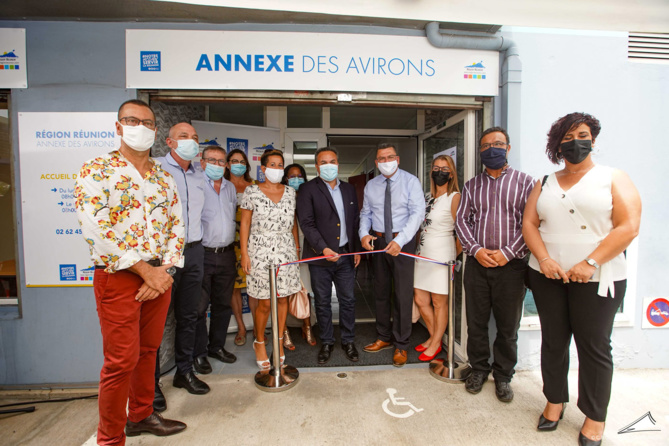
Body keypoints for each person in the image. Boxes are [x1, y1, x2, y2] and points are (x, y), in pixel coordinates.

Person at [523, 113, 641, 445]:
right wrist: (544, 260)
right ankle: (554, 401)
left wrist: (591, 262)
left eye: (583, 135)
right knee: (553, 341)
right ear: (557, 145)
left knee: (594, 347)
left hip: (598, 277)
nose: (576, 142)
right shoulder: (544, 182)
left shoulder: (613, 177)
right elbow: (530, 224)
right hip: (548, 275)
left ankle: (594, 417)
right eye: (567, 138)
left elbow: (629, 226)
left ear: (593, 140)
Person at [75, 99, 186, 444]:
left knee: (148, 352)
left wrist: (163, 271)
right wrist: (143, 270)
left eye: (148, 123)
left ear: (155, 130)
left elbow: (176, 227)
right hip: (119, 277)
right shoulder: (97, 170)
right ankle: (110, 438)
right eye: (132, 120)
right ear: (119, 126)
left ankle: (140, 416)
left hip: (160, 275)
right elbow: (96, 228)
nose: (141, 127)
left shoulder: (163, 177)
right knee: (120, 361)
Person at [455, 126, 534, 402]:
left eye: (498, 144)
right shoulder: (471, 186)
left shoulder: (526, 183)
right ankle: (478, 369)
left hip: (511, 267)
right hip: (477, 266)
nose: (492, 149)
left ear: (508, 148)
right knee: (476, 323)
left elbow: (531, 224)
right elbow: (462, 221)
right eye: (486, 145)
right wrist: (476, 251)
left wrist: (508, 253)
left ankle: (503, 376)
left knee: (508, 327)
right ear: (480, 151)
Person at [154, 122, 209, 406]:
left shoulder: (199, 174)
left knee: (189, 315)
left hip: (194, 251)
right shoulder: (156, 169)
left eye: (195, 137)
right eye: (184, 136)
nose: (191, 141)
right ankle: (150, 384)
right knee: (156, 320)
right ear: (170, 142)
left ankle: (184, 372)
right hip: (164, 255)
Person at [359, 143, 425, 367]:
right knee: (380, 291)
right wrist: (363, 234)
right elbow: (366, 213)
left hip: (402, 242)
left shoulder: (411, 182)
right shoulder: (371, 185)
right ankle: (383, 336)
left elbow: (417, 214)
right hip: (378, 242)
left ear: (397, 159)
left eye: (390, 157)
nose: (386, 162)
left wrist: (400, 240)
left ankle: (401, 344)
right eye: (381, 159)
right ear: (376, 163)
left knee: (402, 294)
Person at [297, 147, 361, 364]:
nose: (328, 166)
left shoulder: (349, 189)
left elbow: (354, 221)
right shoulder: (307, 189)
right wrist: (323, 249)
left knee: (348, 300)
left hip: (346, 255)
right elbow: (307, 223)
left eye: (332, 161)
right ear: (317, 166)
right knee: (323, 302)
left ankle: (348, 340)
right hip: (320, 257)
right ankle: (326, 341)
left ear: (338, 164)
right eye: (323, 162)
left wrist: (355, 250)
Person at [240, 149, 301, 369]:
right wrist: (244, 254)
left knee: (283, 299)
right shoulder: (252, 191)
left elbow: (293, 223)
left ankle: (279, 341)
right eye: (272, 165)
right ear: (263, 168)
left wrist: (296, 248)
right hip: (259, 252)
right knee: (265, 302)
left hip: (286, 251)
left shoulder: (291, 192)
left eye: (280, 165)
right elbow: (245, 223)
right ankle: (259, 342)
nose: (276, 169)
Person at [192, 145, 238, 376]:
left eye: (221, 162)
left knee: (222, 304)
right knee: (199, 307)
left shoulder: (230, 187)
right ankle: (199, 353)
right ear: (202, 162)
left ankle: (216, 347)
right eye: (212, 160)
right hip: (203, 253)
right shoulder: (196, 184)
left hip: (227, 254)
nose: (217, 165)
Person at [413, 155, 461, 362]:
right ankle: (435, 338)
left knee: (439, 302)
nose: (439, 172)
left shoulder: (455, 197)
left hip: (442, 256)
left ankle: (434, 343)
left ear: (451, 174)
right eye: (436, 168)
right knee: (420, 299)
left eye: (445, 168)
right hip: (421, 254)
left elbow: (462, 233)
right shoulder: (426, 197)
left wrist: (452, 258)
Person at [281, 163, 318, 351]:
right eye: (292, 176)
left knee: (306, 288)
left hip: (306, 246)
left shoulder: (309, 195)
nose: (296, 179)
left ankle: (307, 326)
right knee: (283, 290)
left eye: (299, 176)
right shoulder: (280, 195)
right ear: (285, 179)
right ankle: (284, 331)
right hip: (284, 247)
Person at [224, 148, 257, 347]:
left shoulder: (255, 186)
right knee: (234, 288)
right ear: (227, 164)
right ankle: (241, 327)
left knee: (253, 286)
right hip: (228, 243)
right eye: (234, 161)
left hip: (253, 243)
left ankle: (257, 327)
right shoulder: (221, 185)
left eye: (242, 161)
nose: (238, 164)